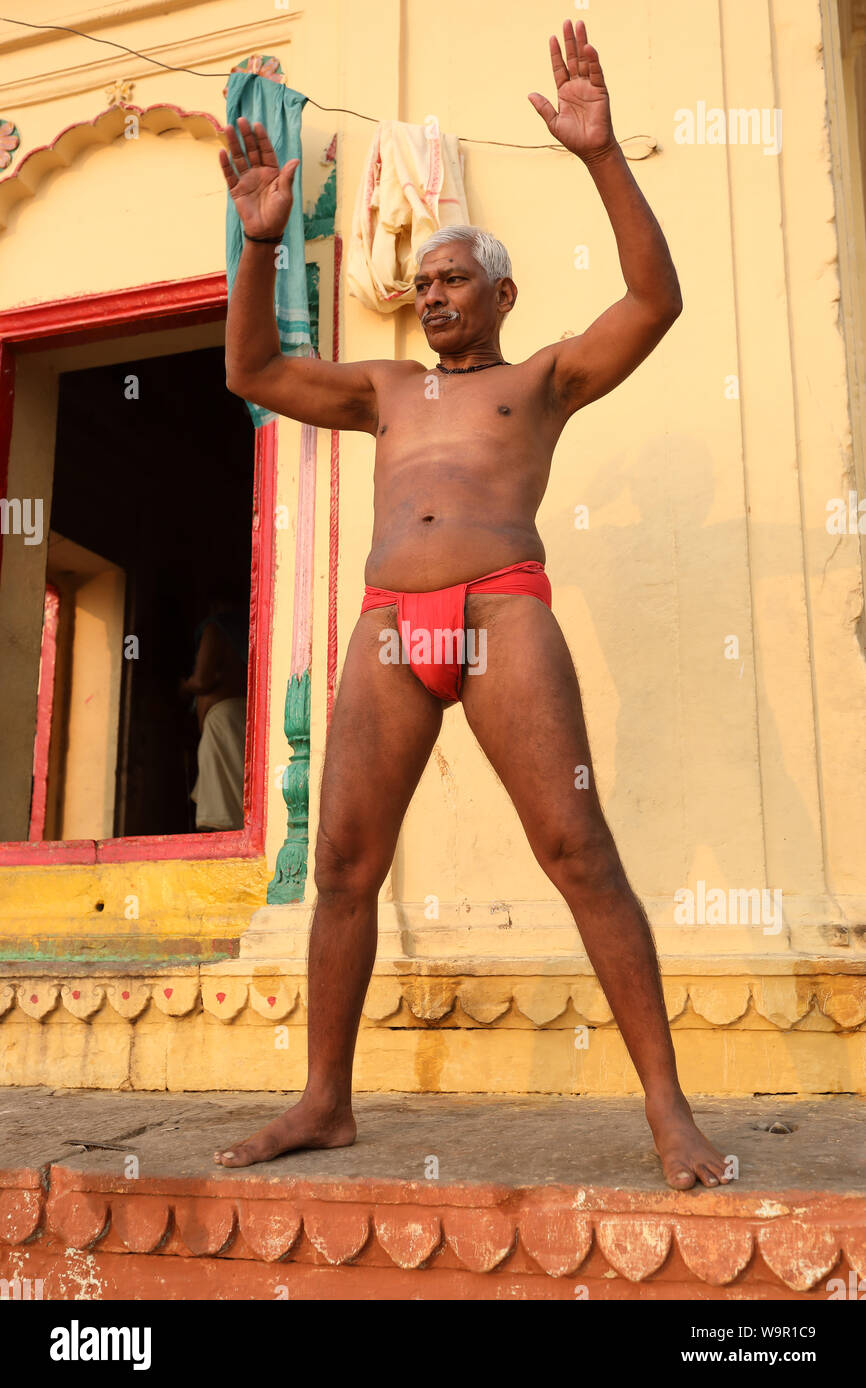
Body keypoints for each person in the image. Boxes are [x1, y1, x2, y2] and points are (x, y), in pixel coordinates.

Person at [214, 20, 731, 1189]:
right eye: (424, 282)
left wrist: (601, 155)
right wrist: (260, 245)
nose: (433, 294)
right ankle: (323, 1100)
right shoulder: (386, 388)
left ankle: (666, 1114)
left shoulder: (539, 380)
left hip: (503, 613)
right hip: (387, 627)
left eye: (454, 279)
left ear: (498, 290)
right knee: (344, 859)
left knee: (576, 848)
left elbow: (655, 300)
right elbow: (251, 373)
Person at [180, 597, 248, 831]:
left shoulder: (216, 627)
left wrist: (183, 686)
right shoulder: (248, 627)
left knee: (220, 809)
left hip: (223, 719)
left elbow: (201, 681)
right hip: (242, 714)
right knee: (237, 786)